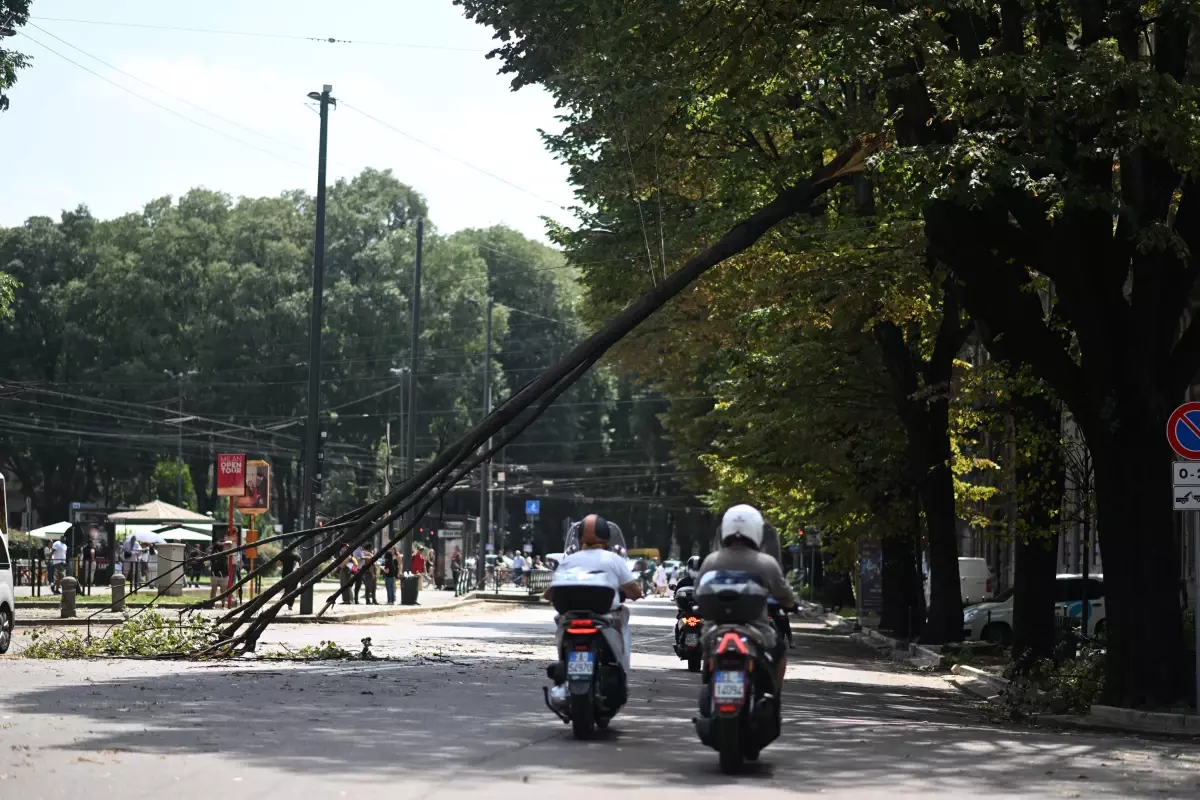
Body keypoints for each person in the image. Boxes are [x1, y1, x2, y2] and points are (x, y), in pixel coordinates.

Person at [697, 504, 798, 691]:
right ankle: (773, 694)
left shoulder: (711, 560)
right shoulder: (766, 562)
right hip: (756, 630)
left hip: (714, 630)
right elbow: (784, 595)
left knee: (709, 654)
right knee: (780, 650)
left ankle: (709, 687)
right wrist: (792, 604)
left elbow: (698, 593)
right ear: (756, 530)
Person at [543, 514, 642, 669]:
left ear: (580, 538)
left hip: (570, 616)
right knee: (622, 620)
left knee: (559, 620)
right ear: (607, 539)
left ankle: (564, 661)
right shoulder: (614, 559)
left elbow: (548, 594)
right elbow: (635, 593)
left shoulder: (569, 560)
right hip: (605, 617)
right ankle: (622, 667)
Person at [280, 544, 298, 610]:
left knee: (286, 589)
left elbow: (279, 564)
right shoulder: (294, 555)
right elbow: (299, 561)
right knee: (292, 589)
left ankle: (285, 601)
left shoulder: (283, 556)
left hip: (284, 575)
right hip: (293, 575)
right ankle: (290, 604)